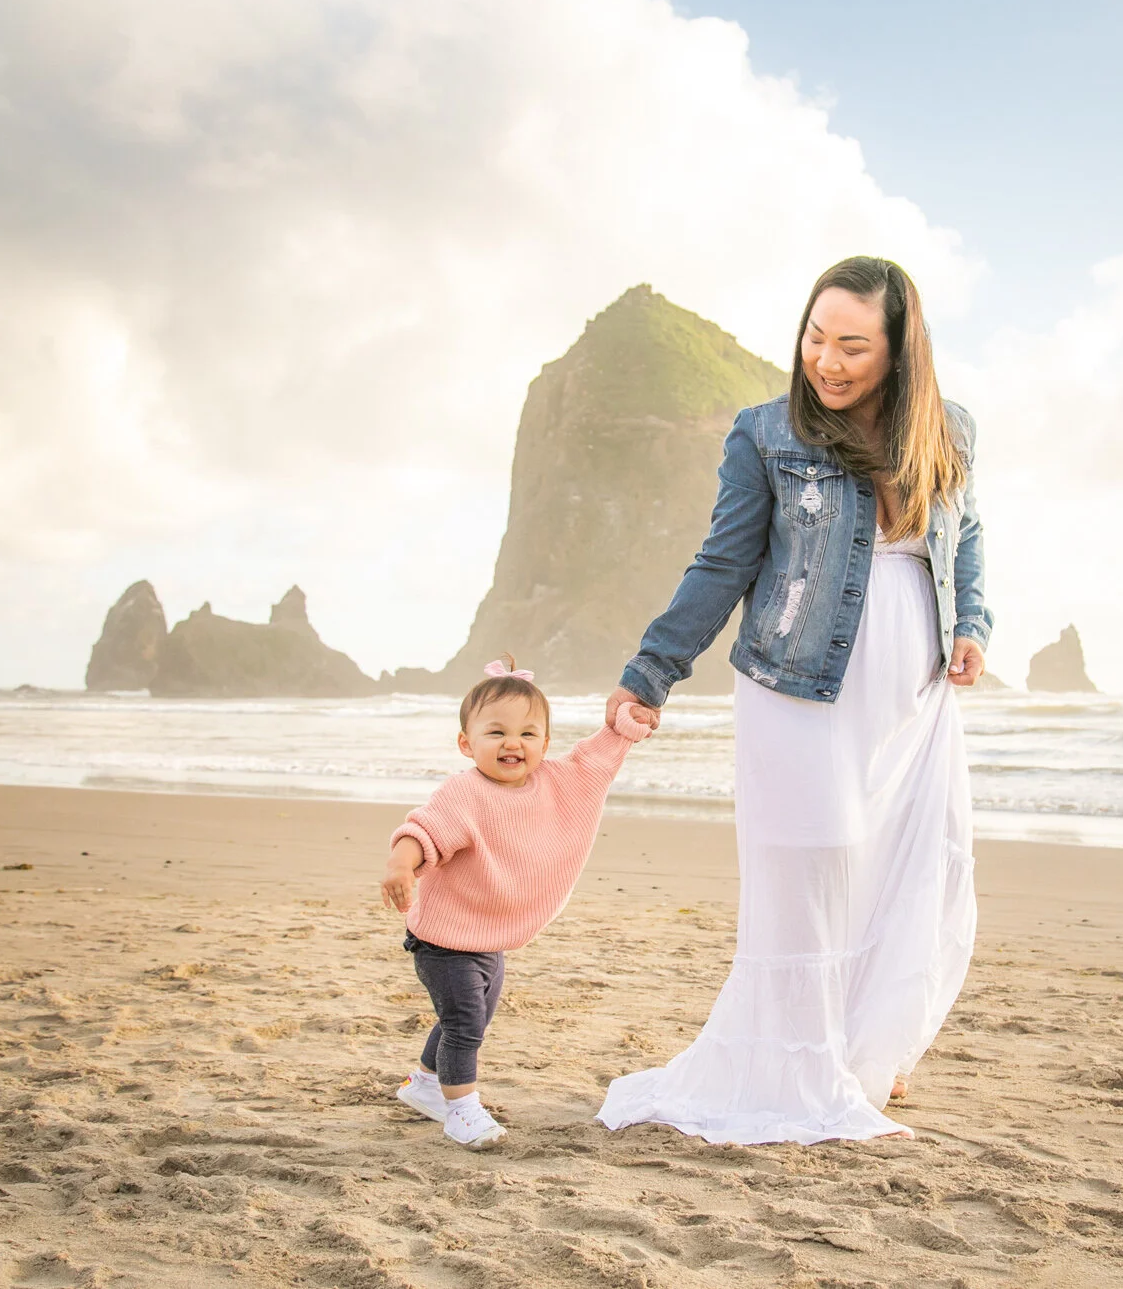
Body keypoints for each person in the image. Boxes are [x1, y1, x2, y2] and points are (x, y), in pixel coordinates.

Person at [596, 255, 991, 1145]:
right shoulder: (767, 432)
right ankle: (801, 1067)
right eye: (817, 336)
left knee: (912, 870)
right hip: (796, 688)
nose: (828, 360)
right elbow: (724, 563)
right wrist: (650, 672)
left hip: (913, 699)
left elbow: (968, 537)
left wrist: (973, 621)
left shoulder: (951, 429)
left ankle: (860, 1057)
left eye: (854, 344)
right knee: (812, 870)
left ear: (901, 350)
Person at [380, 655, 656, 1150]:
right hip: (442, 941)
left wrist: (622, 728)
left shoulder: (556, 782)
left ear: (545, 744)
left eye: (529, 734)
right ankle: (462, 1110)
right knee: (465, 1025)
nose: (514, 743)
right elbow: (423, 831)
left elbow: (592, 761)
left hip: (490, 938)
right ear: (467, 743)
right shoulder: (463, 792)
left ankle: (423, 1085)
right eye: (497, 733)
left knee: (470, 1017)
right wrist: (401, 864)